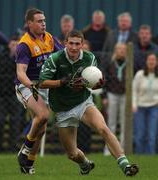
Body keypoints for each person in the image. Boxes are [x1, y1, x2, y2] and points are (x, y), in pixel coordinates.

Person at [39, 30, 139, 176]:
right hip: (62, 109)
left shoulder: (89, 58)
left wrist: (97, 85)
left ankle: (126, 166)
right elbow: (42, 83)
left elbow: (90, 81)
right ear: (65, 43)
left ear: (82, 44)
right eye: (71, 43)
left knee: (103, 128)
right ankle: (85, 164)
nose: (74, 47)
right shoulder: (55, 58)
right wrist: (62, 82)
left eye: (77, 44)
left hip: (82, 102)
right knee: (72, 154)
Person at [15, 8, 63, 174]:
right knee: (43, 115)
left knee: (41, 128)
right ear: (29, 24)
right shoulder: (25, 44)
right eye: (39, 21)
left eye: (44, 20)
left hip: (43, 86)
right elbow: (20, 73)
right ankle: (25, 150)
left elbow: (62, 57)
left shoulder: (49, 38)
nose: (43, 23)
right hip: (26, 86)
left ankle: (28, 163)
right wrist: (30, 85)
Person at [102, 43, 127, 155]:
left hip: (125, 95)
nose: (121, 51)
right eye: (119, 49)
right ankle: (109, 149)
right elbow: (104, 80)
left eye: (123, 49)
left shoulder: (129, 64)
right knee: (111, 123)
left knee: (123, 123)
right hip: (112, 94)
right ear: (115, 51)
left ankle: (122, 149)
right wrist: (104, 96)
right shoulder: (110, 63)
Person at [133, 52, 158, 154]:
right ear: (146, 61)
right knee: (140, 135)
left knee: (151, 135)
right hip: (140, 108)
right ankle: (139, 156)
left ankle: (150, 157)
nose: (151, 62)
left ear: (156, 62)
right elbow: (134, 90)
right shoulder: (140, 74)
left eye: (153, 60)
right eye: (150, 59)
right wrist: (134, 104)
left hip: (154, 107)